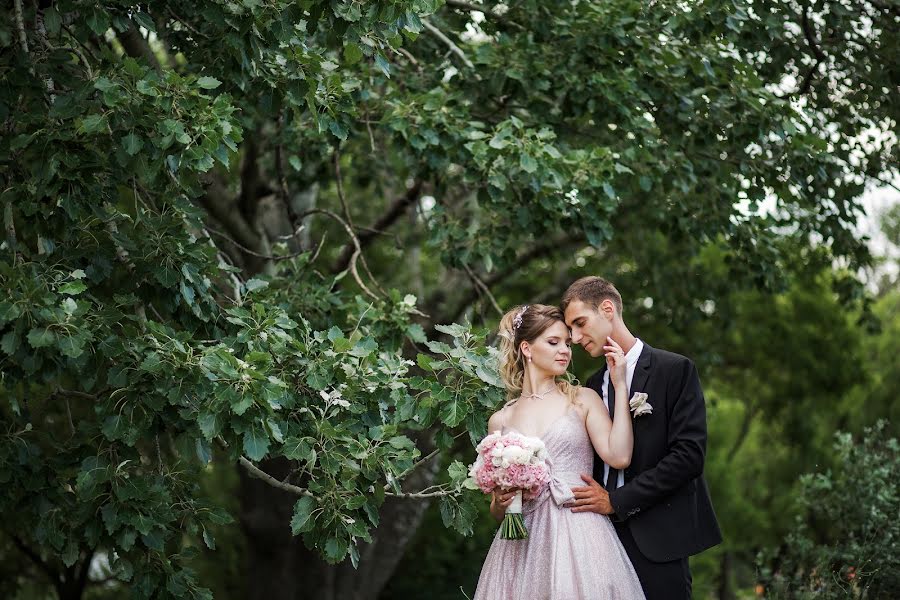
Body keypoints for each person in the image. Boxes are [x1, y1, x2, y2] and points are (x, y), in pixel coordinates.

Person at [562, 276, 723, 600]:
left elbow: (688, 457)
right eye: (570, 331)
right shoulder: (591, 387)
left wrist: (617, 501)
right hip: (596, 538)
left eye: (580, 324)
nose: (576, 338)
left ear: (607, 309)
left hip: (658, 539)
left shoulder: (674, 370)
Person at [474, 304, 645, 599]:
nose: (565, 350)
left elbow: (619, 456)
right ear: (526, 348)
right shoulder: (500, 420)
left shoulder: (582, 399)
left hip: (579, 529)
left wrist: (619, 385)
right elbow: (496, 511)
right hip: (522, 543)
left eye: (567, 343)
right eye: (553, 343)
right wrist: (501, 503)